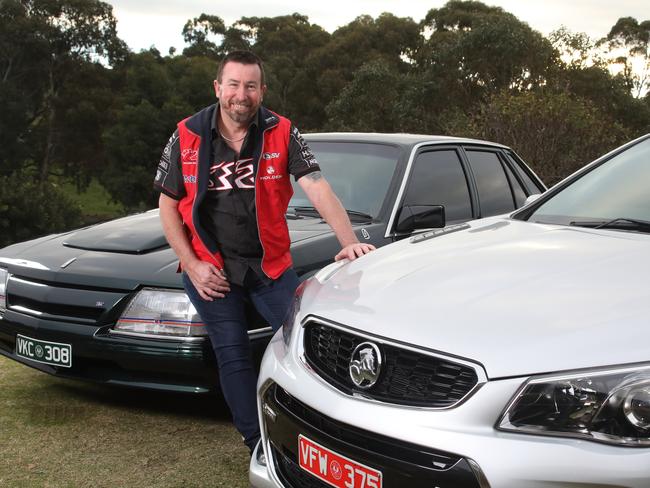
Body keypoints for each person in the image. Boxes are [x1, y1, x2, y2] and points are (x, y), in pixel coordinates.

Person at [153, 50, 375, 454]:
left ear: (262, 90)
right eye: (234, 84)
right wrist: (192, 264)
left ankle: (336, 433)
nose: (242, 94)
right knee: (233, 352)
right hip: (211, 268)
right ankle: (258, 442)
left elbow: (317, 186)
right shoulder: (186, 134)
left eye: (251, 86)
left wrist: (349, 241)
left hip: (269, 265)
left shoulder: (282, 130)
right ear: (218, 88)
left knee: (306, 341)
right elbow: (168, 205)